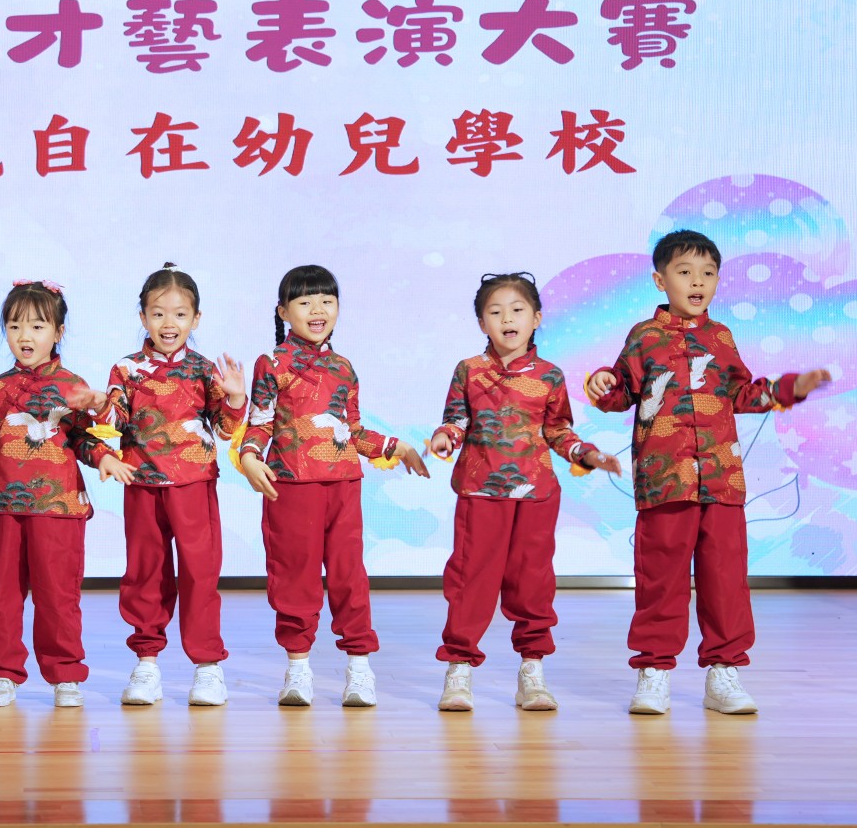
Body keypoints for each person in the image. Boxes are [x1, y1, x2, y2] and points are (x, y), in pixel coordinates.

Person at [585, 230, 830, 715]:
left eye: (708, 273)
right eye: (685, 272)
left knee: (725, 579)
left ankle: (724, 672)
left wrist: (790, 388)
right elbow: (620, 395)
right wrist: (602, 381)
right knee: (661, 579)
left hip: (721, 480)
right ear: (660, 280)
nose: (697, 282)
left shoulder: (721, 338)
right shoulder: (644, 336)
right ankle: (654, 671)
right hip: (664, 480)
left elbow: (742, 394)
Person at [234, 264, 428, 709]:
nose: (317, 309)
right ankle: (298, 667)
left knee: (348, 576)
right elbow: (260, 422)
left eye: (326, 300)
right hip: (290, 487)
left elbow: (351, 430)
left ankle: (359, 668)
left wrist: (396, 447)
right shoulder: (272, 364)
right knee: (294, 576)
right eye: (304, 302)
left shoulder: (344, 368)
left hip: (343, 487)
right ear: (283, 311)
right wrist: (249, 457)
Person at [427, 272, 620, 713]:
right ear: (482, 323)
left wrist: (588, 454)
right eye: (495, 312)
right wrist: (444, 438)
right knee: (470, 580)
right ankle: (459, 668)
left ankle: (532, 670)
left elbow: (558, 430)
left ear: (536, 318)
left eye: (517, 310)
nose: (507, 319)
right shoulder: (469, 370)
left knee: (533, 583)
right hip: (481, 491)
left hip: (536, 495)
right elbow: (456, 420)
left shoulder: (550, 375)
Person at [0, 280, 111, 708]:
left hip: (58, 508)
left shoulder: (74, 385)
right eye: (14, 326)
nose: (24, 336)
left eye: (37, 326)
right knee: (1, 596)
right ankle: (2, 673)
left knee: (58, 597)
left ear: (58, 332)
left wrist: (104, 457)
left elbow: (83, 439)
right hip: (1, 507)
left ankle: (65, 676)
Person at [70, 264, 246, 707]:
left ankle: (207, 666)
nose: (170, 323)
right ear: (143, 317)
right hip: (142, 482)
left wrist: (235, 397)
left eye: (180, 314)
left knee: (200, 572)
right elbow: (115, 422)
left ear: (196, 319)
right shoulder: (127, 369)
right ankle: (147, 663)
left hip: (194, 483)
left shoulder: (204, 369)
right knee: (145, 573)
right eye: (159, 313)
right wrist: (98, 406)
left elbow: (226, 429)